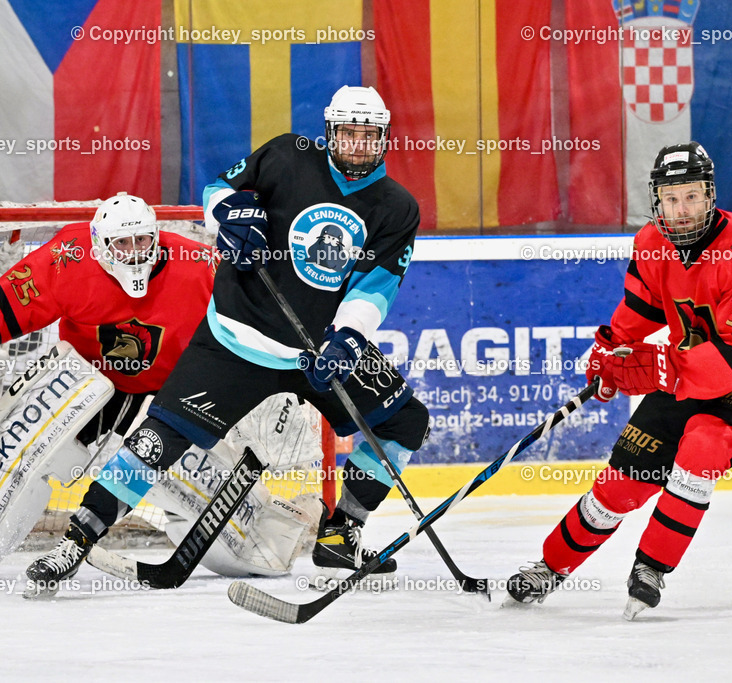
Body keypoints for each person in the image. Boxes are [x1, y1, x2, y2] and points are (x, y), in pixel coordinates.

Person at [24, 84, 429, 590]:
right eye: (348, 133)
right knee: (155, 441)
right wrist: (231, 217)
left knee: (405, 421)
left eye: (369, 135)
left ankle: (340, 534)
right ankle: (76, 541)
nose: (358, 144)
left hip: (318, 349)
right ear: (329, 132)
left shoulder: (396, 206)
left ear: (385, 137)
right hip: (236, 339)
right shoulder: (287, 154)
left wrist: (348, 338)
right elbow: (219, 190)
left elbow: (375, 285)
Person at [505, 142, 732, 619]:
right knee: (621, 482)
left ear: (710, 195)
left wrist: (667, 367)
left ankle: (651, 567)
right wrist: (609, 351)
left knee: (703, 445)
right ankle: (550, 567)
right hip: (692, 364)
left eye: (691, 196)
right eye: (671, 199)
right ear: (657, 201)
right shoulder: (652, 242)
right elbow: (642, 308)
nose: (681, 209)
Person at [0, 193, 217, 578]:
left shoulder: (200, 264)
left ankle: (251, 533)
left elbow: (249, 321)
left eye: (141, 240)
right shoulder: (69, 257)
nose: (134, 252)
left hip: (172, 387)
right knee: (27, 443)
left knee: (183, 473)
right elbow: (12, 301)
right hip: (89, 378)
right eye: (122, 242)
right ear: (99, 244)